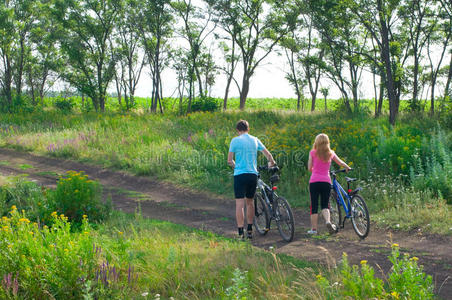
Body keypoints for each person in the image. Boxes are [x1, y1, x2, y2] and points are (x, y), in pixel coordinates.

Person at [228, 120, 276, 239]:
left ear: (238, 130)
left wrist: (236, 166)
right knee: (250, 202)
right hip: (252, 175)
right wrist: (272, 162)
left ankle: (240, 233)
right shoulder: (255, 139)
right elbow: (268, 155)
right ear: (248, 129)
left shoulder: (235, 141)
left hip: (239, 175)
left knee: (240, 204)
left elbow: (229, 160)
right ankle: (250, 229)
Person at [307, 133, 350, 235]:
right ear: (327, 142)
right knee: (325, 205)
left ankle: (314, 230)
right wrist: (347, 167)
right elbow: (340, 163)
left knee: (314, 205)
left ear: (316, 142)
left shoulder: (313, 153)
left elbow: (309, 168)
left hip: (314, 181)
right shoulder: (331, 153)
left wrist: (315, 170)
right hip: (326, 181)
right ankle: (328, 221)